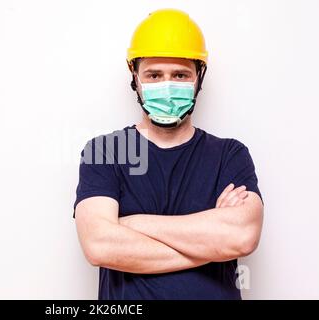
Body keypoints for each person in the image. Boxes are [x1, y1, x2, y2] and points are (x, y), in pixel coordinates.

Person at [73, 8, 264, 300]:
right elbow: (100, 246)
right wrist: (212, 242)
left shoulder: (230, 154)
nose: (167, 86)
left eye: (180, 75)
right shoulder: (105, 152)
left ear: (199, 77)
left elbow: (242, 237)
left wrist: (132, 224)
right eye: (154, 75)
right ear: (135, 77)